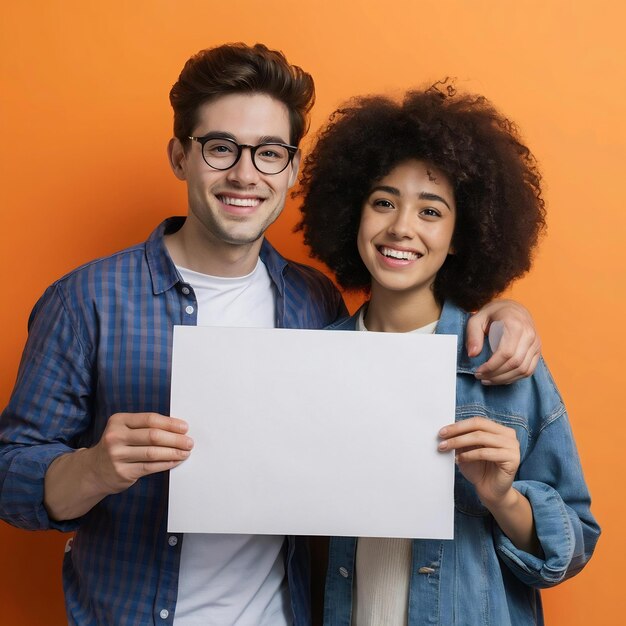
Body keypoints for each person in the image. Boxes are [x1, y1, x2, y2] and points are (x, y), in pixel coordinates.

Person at [0, 43, 539, 625]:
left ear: (293, 169)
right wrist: (94, 469)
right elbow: (13, 480)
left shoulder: (315, 304)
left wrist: (504, 309)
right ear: (181, 156)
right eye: (220, 147)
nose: (243, 174)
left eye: (268, 153)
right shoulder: (85, 302)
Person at [297, 83, 600, 625]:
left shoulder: (505, 364)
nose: (401, 227)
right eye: (383, 202)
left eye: (431, 211)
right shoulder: (317, 360)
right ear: (353, 214)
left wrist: (502, 497)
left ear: (462, 234)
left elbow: (574, 546)